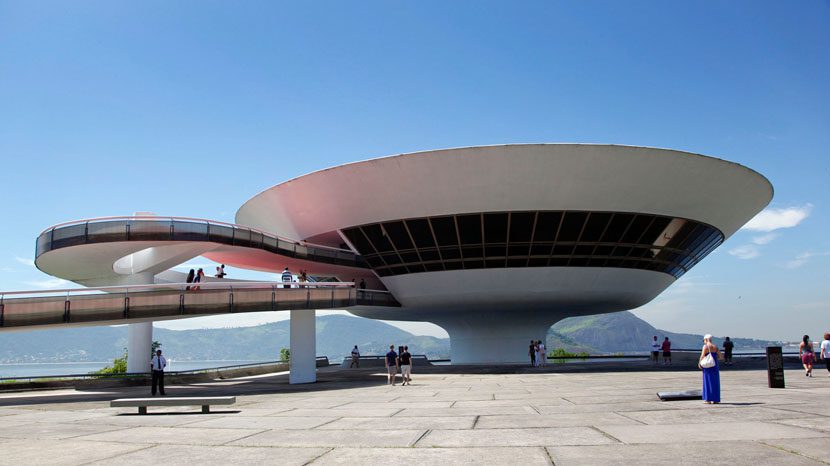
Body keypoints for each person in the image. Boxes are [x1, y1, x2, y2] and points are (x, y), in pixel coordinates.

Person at [699, 334, 721, 404]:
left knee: (707, 382)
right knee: (715, 382)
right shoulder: (715, 347)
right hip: (715, 366)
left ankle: (708, 399)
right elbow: (721, 356)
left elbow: (702, 356)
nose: (704, 341)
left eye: (704, 340)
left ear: (706, 339)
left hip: (708, 367)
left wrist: (699, 363)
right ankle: (715, 399)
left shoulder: (705, 346)